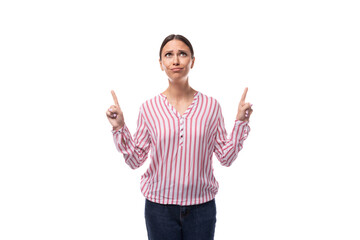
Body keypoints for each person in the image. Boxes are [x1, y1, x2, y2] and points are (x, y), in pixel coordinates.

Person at [106, 34, 253, 240]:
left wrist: (240, 123)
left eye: (182, 54)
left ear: (192, 61)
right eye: (168, 55)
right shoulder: (149, 108)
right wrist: (120, 128)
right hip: (159, 208)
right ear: (160, 63)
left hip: (202, 208)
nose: (175, 60)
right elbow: (135, 159)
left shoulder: (211, 106)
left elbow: (226, 158)